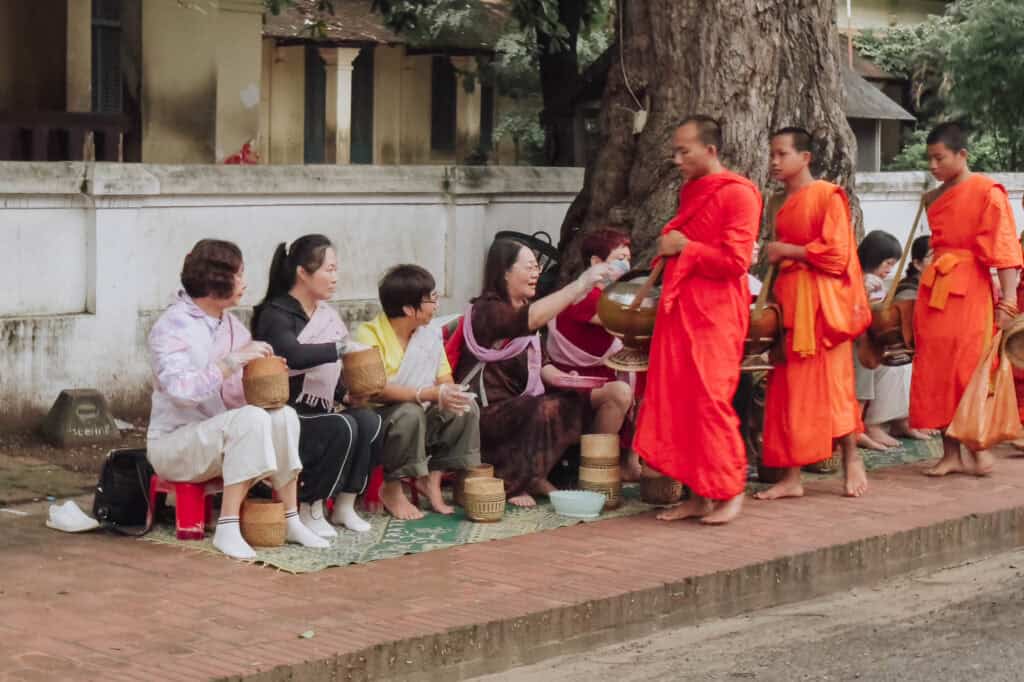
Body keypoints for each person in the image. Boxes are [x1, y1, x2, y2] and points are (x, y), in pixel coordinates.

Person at [146, 239, 329, 560]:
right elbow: (181, 391)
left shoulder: (229, 324)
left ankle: (289, 517)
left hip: (218, 436)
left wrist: (266, 372)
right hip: (174, 445)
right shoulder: (171, 326)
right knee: (252, 418)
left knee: (281, 415)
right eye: (240, 275)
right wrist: (232, 362)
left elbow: (243, 389)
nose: (245, 283)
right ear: (218, 280)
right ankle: (228, 526)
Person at [632, 115, 762, 525]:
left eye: (684, 151)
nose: (676, 159)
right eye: (674, 151)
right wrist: (673, 248)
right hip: (681, 309)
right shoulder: (692, 190)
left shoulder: (740, 194)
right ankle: (697, 495)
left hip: (716, 312)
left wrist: (684, 247)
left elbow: (736, 261)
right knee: (680, 401)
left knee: (709, 400)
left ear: (710, 150)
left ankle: (730, 488)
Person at [452, 240, 627, 507]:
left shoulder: (525, 308)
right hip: (486, 412)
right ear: (505, 273)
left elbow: (543, 365)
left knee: (588, 398)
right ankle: (518, 481)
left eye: (537, 267)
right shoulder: (487, 310)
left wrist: (569, 380)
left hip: (524, 402)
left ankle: (581, 474)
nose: (536, 273)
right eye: (529, 267)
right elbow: (528, 320)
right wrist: (580, 284)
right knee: (542, 407)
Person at [756, 127, 871, 501]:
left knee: (834, 387)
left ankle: (851, 458)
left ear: (805, 158)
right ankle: (792, 477)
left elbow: (837, 256)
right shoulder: (774, 202)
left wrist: (787, 249)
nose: (774, 161)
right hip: (789, 302)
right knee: (787, 391)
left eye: (782, 154)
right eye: (771, 154)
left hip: (822, 309)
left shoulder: (826, 196)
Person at [910, 122, 1021, 476]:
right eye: (929, 159)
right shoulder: (934, 197)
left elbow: (1004, 252)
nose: (933, 166)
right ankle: (950, 453)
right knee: (934, 370)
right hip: (935, 292)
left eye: (939, 158)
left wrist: (1007, 301)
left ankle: (978, 446)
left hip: (970, 290)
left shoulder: (988, 192)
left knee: (969, 369)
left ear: (962, 155)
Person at [250, 235, 381, 536]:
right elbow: (292, 356)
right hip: (285, 412)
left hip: (319, 409)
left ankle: (346, 504)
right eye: (329, 269)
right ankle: (310, 504)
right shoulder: (276, 313)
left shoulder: (326, 315)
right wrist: (340, 348)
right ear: (302, 273)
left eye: (336, 270)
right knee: (342, 426)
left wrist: (346, 394)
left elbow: (326, 373)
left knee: (369, 420)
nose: (335, 278)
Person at [352, 264, 481, 520]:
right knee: (409, 413)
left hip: (422, 413)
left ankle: (431, 480)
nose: (436, 305)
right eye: (431, 299)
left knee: (464, 406)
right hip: (383, 422)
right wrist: (426, 393)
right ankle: (391, 488)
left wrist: (449, 392)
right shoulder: (369, 334)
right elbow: (376, 390)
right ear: (409, 309)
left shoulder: (428, 334)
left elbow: (444, 378)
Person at [545, 227, 640, 479]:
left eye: (627, 259)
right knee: (623, 391)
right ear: (596, 262)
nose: (625, 265)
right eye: (619, 259)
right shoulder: (586, 297)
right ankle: (597, 468)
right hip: (576, 381)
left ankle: (631, 461)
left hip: (604, 375)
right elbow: (626, 326)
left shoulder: (609, 295)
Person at [853, 230, 927, 450]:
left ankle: (899, 420)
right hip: (853, 343)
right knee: (866, 364)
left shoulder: (878, 284)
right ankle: (861, 427)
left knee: (901, 363)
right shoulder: (855, 280)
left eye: (893, 264)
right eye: (886, 263)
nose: (889, 270)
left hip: (871, 342)